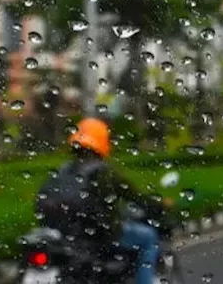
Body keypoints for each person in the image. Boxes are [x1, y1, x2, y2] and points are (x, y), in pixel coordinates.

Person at [36, 117, 161, 284]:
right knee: (149, 237)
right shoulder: (104, 172)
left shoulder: (64, 170)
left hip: (69, 236)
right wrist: (159, 207)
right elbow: (135, 197)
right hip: (103, 236)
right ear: (102, 142)